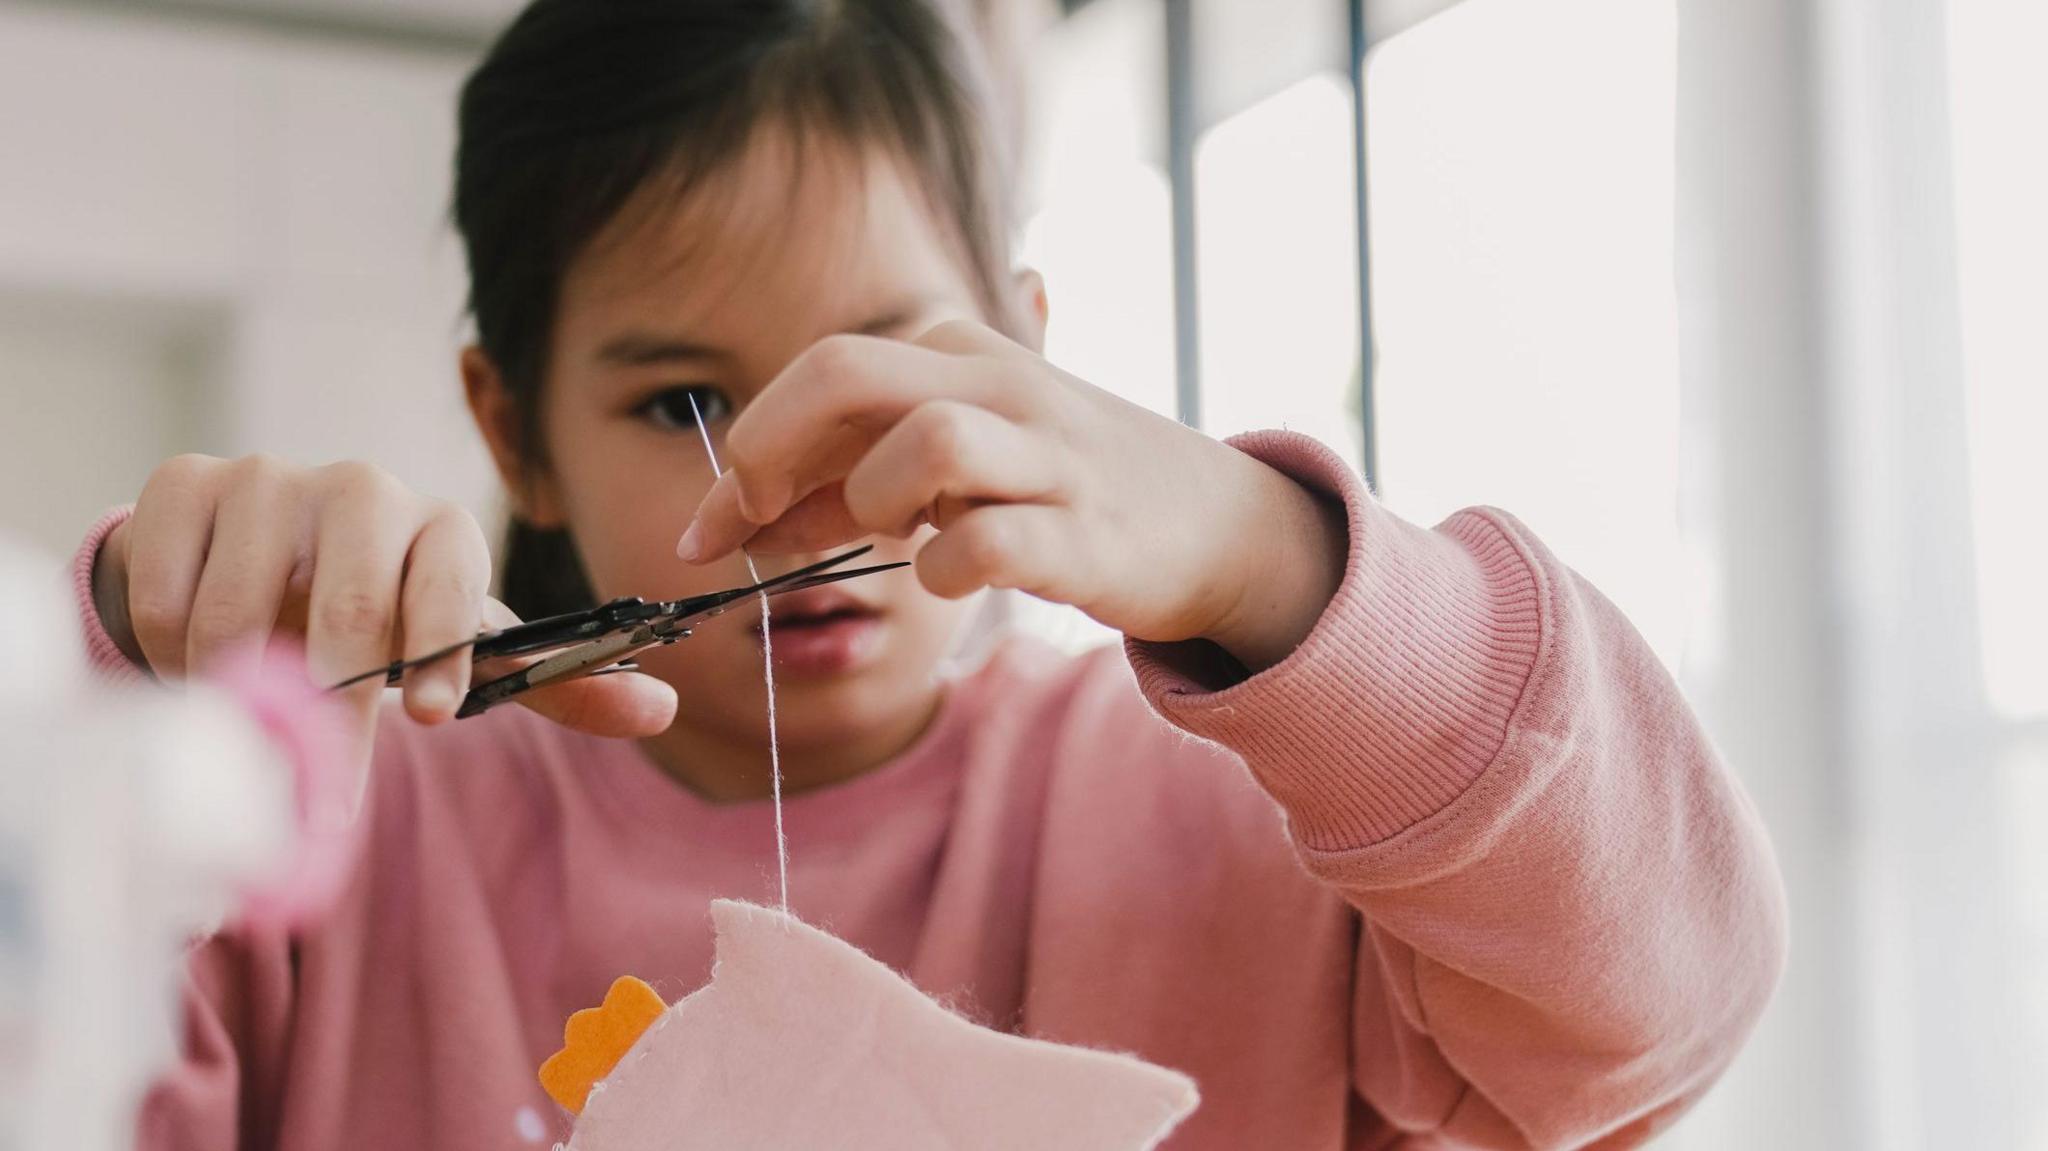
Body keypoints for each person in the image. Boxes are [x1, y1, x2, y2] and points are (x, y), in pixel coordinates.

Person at [73, 1, 1786, 1147]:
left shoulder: (1239, 826)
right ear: (511, 433)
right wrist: (106, 716)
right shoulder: (317, 839)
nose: (804, 498)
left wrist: (1272, 557)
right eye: (685, 402)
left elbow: (1659, 1002)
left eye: (887, 365)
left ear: (1029, 350)